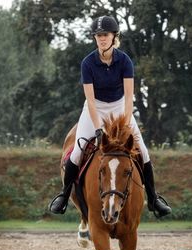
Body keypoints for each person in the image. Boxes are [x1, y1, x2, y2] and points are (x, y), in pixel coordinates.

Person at [49, 15, 171, 217]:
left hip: (119, 107)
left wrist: (123, 125)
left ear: (114, 36)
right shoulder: (87, 63)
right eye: (98, 36)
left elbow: (129, 97)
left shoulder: (125, 61)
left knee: (143, 151)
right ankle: (63, 195)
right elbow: (90, 98)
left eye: (105, 35)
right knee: (78, 150)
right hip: (93, 108)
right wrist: (98, 129)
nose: (101, 39)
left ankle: (154, 199)